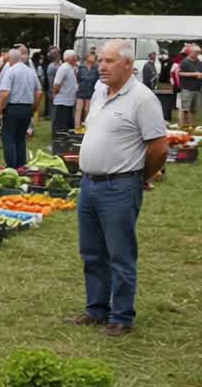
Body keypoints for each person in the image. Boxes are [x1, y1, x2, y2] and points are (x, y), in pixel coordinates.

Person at [66, 40, 168, 337]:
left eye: (109, 61)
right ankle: (96, 309)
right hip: (89, 184)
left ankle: (121, 315)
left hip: (119, 185)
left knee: (120, 253)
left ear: (127, 64)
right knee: (91, 251)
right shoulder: (99, 92)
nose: (102, 66)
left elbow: (159, 148)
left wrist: (141, 176)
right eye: (100, 61)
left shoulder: (142, 99)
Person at [0, 48, 41, 169]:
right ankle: (21, 166)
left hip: (13, 108)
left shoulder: (10, 71)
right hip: (27, 108)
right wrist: (34, 107)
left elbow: (4, 93)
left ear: (9, 60)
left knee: (8, 137)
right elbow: (39, 91)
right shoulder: (31, 72)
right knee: (21, 138)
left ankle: (11, 166)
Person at [178, 44, 202, 128]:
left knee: (193, 110)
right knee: (185, 109)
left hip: (197, 89)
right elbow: (179, 73)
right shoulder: (185, 62)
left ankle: (191, 126)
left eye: (198, 52)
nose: (197, 54)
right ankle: (182, 126)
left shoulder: (199, 62)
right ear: (190, 52)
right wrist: (194, 74)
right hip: (187, 89)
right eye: (195, 52)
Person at [76, 52, 99, 127]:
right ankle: (77, 127)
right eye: (92, 56)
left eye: (94, 57)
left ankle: (86, 126)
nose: (94, 58)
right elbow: (78, 78)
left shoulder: (96, 68)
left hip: (91, 91)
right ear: (87, 57)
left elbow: (98, 79)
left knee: (87, 110)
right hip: (81, 91)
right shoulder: (81, 67)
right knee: (79, 110)